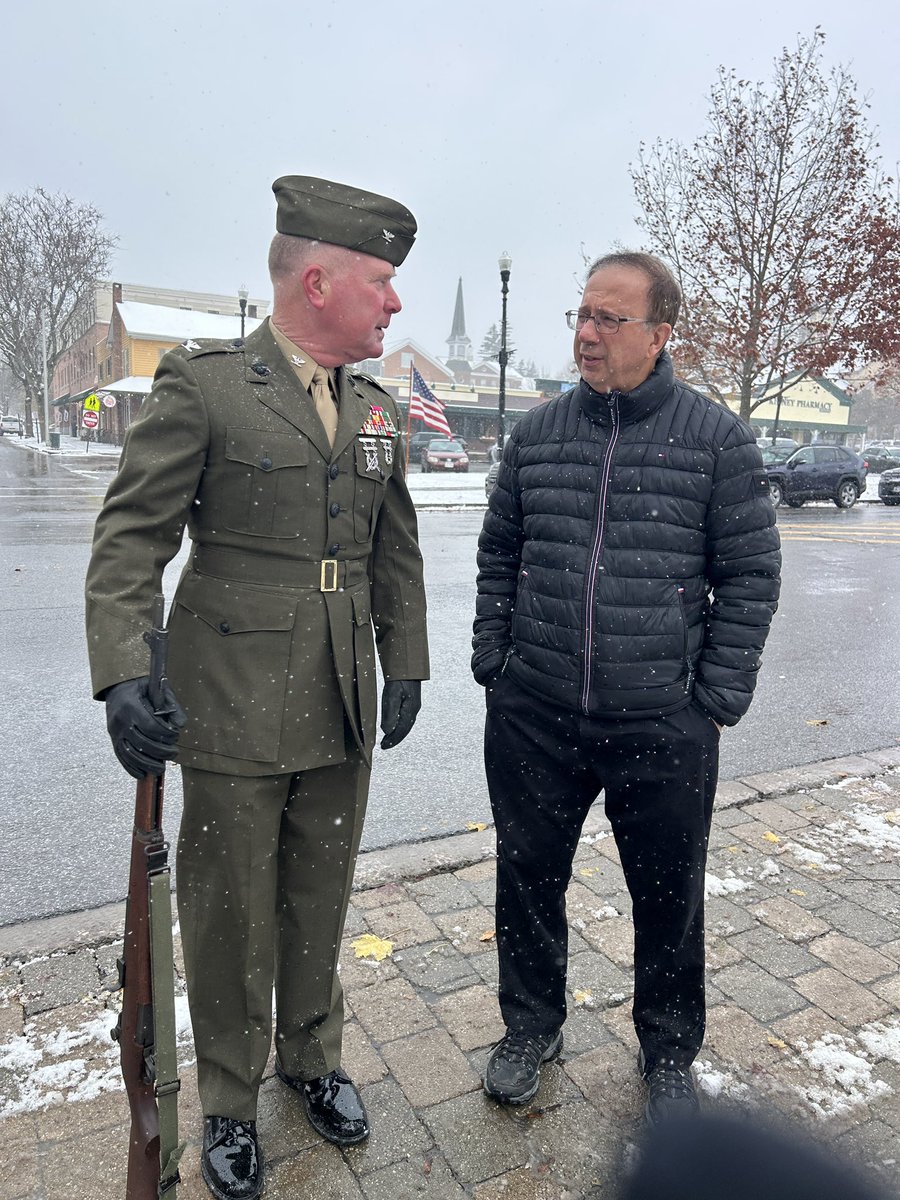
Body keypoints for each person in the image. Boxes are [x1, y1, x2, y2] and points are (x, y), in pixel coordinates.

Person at [86, 175, 429, 1200]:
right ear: (317, 280)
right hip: (231, 692)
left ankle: (310, 1058)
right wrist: (120, 674)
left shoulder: (374, 408)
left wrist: (403, 659)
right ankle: (231, 1100)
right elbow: (131, 538)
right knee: (230, 905)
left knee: (320, 888)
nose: (396, 303)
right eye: (382, 281)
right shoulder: (210, 384)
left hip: (339, 691)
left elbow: (395, 546)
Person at [471, 251, 781, 1125]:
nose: (587, 334)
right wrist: (495, 659)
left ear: (659, 334)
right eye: (582, 314)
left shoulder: (716, 441)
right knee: (528, 878)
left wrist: (712, 700)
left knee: (668, 894)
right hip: (535, 712)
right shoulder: (538, 436)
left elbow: (752, 575)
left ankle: (669, 1050)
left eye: (610, 319)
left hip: (661, 723)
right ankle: (531, 1029)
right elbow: (500, 553)